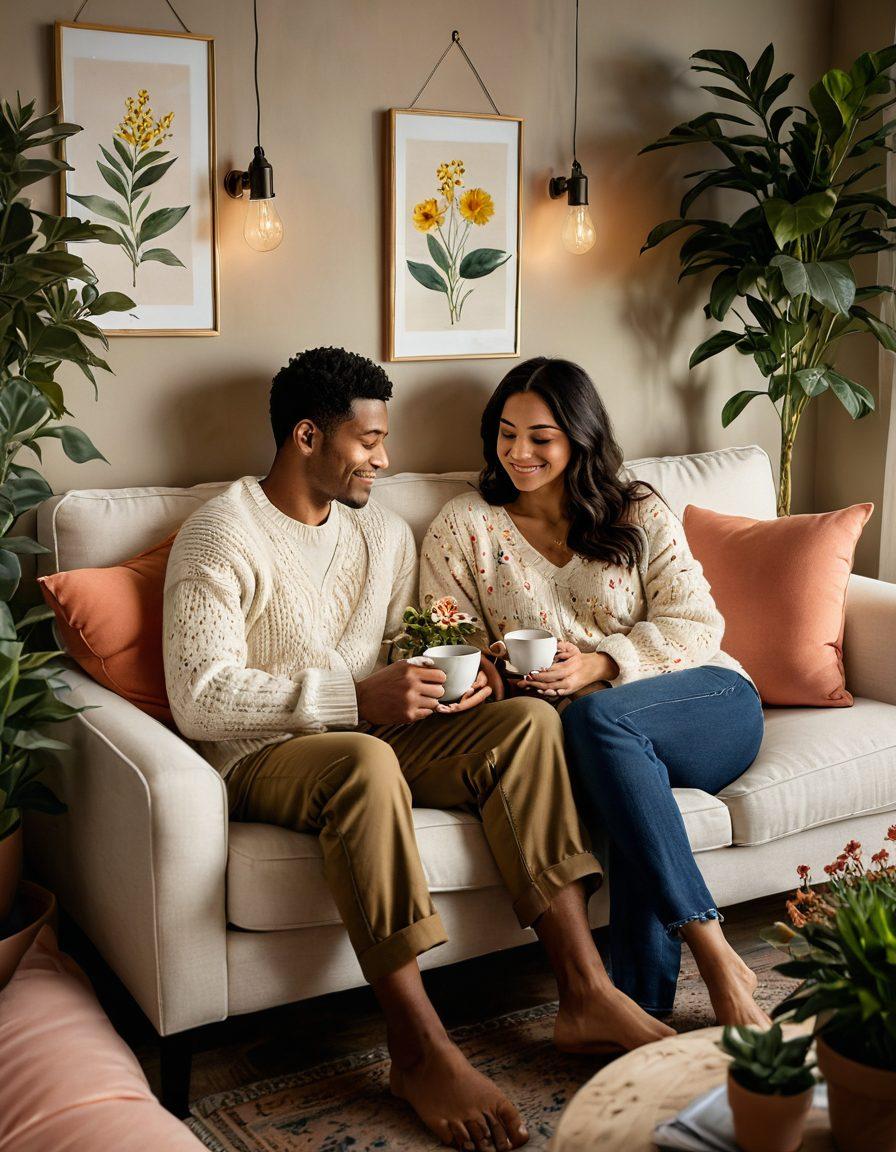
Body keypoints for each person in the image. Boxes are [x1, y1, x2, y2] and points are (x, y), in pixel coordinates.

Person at [163, 347, 674, 1152]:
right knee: (363, 759)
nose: (385, 458)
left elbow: (415, 643)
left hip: (379, 734)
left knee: (527, 723)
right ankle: (418, 1046)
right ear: (306, 436)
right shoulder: (217, 535)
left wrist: (459, 684)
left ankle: (584, 990)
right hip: (266, 755)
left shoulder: (387, 536)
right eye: (369, 442)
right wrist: (350, 699)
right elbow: (199, 698)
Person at [419, 356, 769, 1027]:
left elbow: (698, 624)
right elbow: (449, 636)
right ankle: (643, 1009)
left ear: (580, 438)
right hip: (596, 739)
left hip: (707, 702)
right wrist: (498, 667)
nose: (519, 452)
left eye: (541, 437)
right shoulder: (464, 526)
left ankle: (715, 952)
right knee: (614, 762)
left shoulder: (635, 508)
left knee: (599, 722)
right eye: (506, 433)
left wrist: (603, 663)